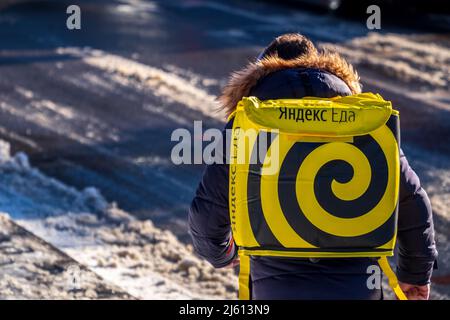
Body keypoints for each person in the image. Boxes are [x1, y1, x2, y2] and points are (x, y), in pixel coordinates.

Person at [188, 33, 437, 300]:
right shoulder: (365, 123)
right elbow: (412, 200)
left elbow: (207, 213)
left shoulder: (249, 126)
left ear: (260, 77)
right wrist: (415, 275)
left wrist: (222, 254)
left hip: (278, 289)